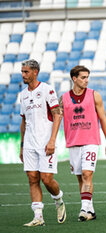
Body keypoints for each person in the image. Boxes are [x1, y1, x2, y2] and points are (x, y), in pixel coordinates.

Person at [59, 65, 106, 221]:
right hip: (73, 142)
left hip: (91, 141)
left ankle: (84, 209)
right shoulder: (63, 98)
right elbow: (56, 120)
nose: (86, 80)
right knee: (80, 177)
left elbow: (103, 119)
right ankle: (91, 210)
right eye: (83, 77)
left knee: (87, 174)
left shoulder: (94, 95)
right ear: (74, 79)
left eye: (87, 77)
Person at [19, 59, 66, 226]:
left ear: (35, 72)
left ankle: (58, 198)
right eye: (22, 72)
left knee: (46, 179)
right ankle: (38, 216)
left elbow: (57, 114)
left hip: (46, 142)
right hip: (30, 143)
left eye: (26, 72)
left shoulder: (47, 89)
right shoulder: (23, 95)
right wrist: (22, 145)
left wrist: (52, 140)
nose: (23, 75)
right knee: (32, 178)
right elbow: (23, 122)